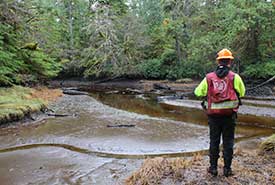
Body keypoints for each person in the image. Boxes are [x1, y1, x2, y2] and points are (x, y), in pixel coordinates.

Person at [194, 48, 245, 177]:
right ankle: (227, 169)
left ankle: (213, 168)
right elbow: (242, 93)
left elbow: (198, 92)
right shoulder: (235, 77)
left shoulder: (209, 77)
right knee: (228, 142)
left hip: (213, 116)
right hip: (229, 116)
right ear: (230, 62)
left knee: (214, 141)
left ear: (218, 61)